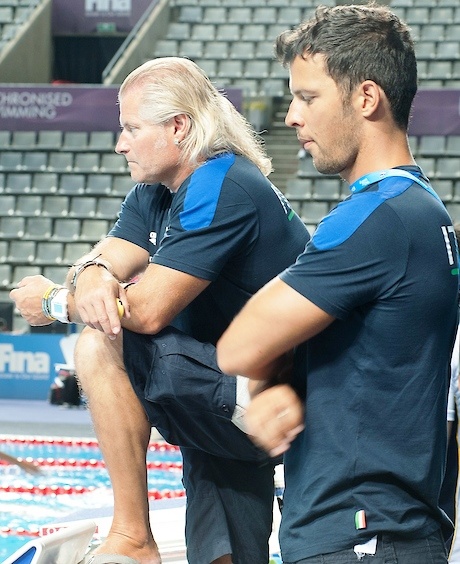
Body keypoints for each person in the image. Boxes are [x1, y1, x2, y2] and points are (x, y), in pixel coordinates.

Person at [10, 57, 310, 564]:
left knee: (103, 339)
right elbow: (103, 260)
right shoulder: (154, 192)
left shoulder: (222, 183)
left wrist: (53, 302)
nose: (119, 143)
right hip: (224, 389)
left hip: (281, 396)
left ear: (178, 127)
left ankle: (132, 534)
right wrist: (94, 273)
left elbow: (145, 313)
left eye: (131, 128)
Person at [217, 4, 459, 564]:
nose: (292, 117)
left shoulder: (377, 218)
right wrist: (274, 380)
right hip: (389, 527)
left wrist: (264, 377)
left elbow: (240, 344)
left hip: (360, 534)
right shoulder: (423, 211)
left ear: (366, 98)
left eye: (307, 97)